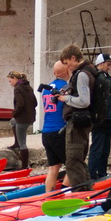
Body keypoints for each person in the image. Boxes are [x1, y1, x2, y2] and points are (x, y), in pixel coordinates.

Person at [58, 44, 96, 191]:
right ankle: (88, 190)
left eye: (67, 63)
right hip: (84, 121)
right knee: (78, 159)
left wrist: (65, 99)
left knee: (73, 160)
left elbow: (84, 101)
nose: (68, 67)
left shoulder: (81, 74)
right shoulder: (90, 70)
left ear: (73, 58)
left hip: (78, 121)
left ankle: (81, 193)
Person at [88, 53, 111, 180]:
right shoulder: (97, 77)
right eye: (108, 64)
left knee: (105, 150)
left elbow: (108, 96)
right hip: (100, 119)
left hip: (109, 118)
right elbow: (101, 90)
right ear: (101, 64)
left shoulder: (106, 78)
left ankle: (102, 173)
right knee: (97, 148)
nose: (109, 67)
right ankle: (92, 175)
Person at [41, 61, 71, 192]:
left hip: (46, 131)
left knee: (53, 167)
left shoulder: (46, 88)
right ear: (68, 71)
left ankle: (47, 196)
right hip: (59, 131)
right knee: (72, 166)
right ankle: (63, 193)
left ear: (54, 73)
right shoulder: (66, 87)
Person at [7, 71, 37, 169]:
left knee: (23, 143)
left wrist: (15, 113)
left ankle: (24, 167)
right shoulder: (28, 87)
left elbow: (20, 104)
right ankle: (16, 144)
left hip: (22, 119)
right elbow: (35, 102)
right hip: (30, 117)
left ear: (15, 79)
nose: (9, 82)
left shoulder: (17, 89)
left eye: (10, 80)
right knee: (12, 121)